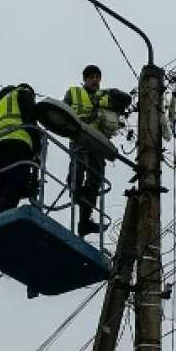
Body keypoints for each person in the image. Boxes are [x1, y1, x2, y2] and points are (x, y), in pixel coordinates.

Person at [64, 64, 108, 237]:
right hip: (80, 136)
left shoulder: (103, 97)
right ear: (85, 79)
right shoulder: (74, 92)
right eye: (92, 77)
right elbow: (63, 112)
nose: (95, 80)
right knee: (79, 166)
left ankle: (84, 221)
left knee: (95, 178)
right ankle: (75, 193)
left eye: (98, 77)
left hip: (98, 142)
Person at [0, 83, 39, 217]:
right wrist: (37, 147)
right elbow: (30, 120)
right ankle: (5, 210)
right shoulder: (22, 92)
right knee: (19, 176)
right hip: (17, 141)